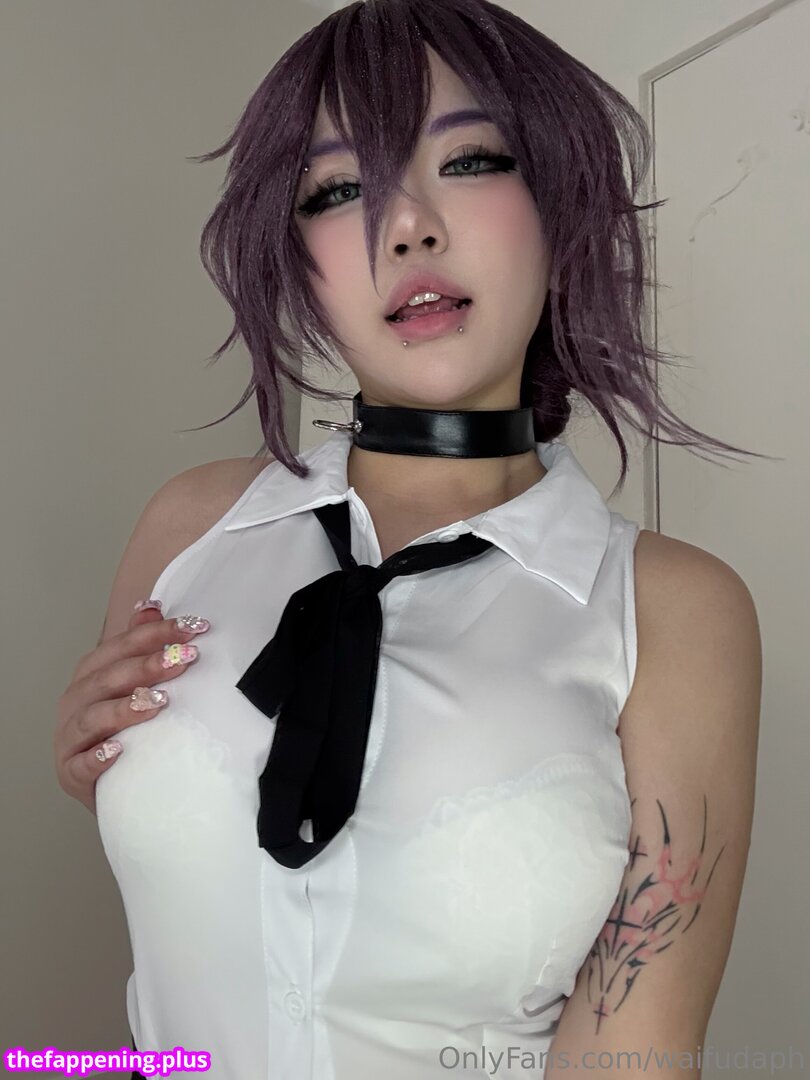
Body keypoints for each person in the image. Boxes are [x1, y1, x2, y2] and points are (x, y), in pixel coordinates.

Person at [54, 1, 763, 1077]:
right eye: (336, 190)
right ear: (294, 257)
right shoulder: (189, 524)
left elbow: (636, 1054)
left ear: (560, 200)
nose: (407, 226)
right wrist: (111, 775)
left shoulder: (674, 611)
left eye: (470, 161)